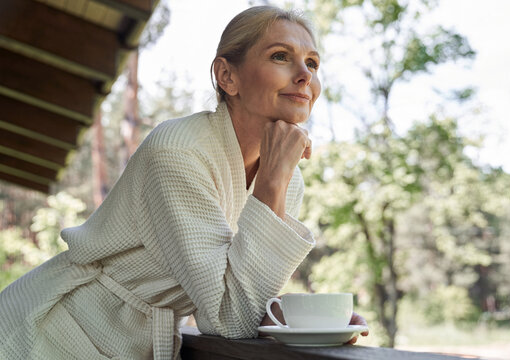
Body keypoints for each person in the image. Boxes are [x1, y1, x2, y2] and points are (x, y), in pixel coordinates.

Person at [0, 5, 367, 359]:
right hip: (50, 334)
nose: (305, 75)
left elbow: (238, 298)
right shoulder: (179, 151)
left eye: (313, 63)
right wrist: (273, 182)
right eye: (280, 56)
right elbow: (229, 317)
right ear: (227, 76)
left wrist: (304, 319)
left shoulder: (287, 175)